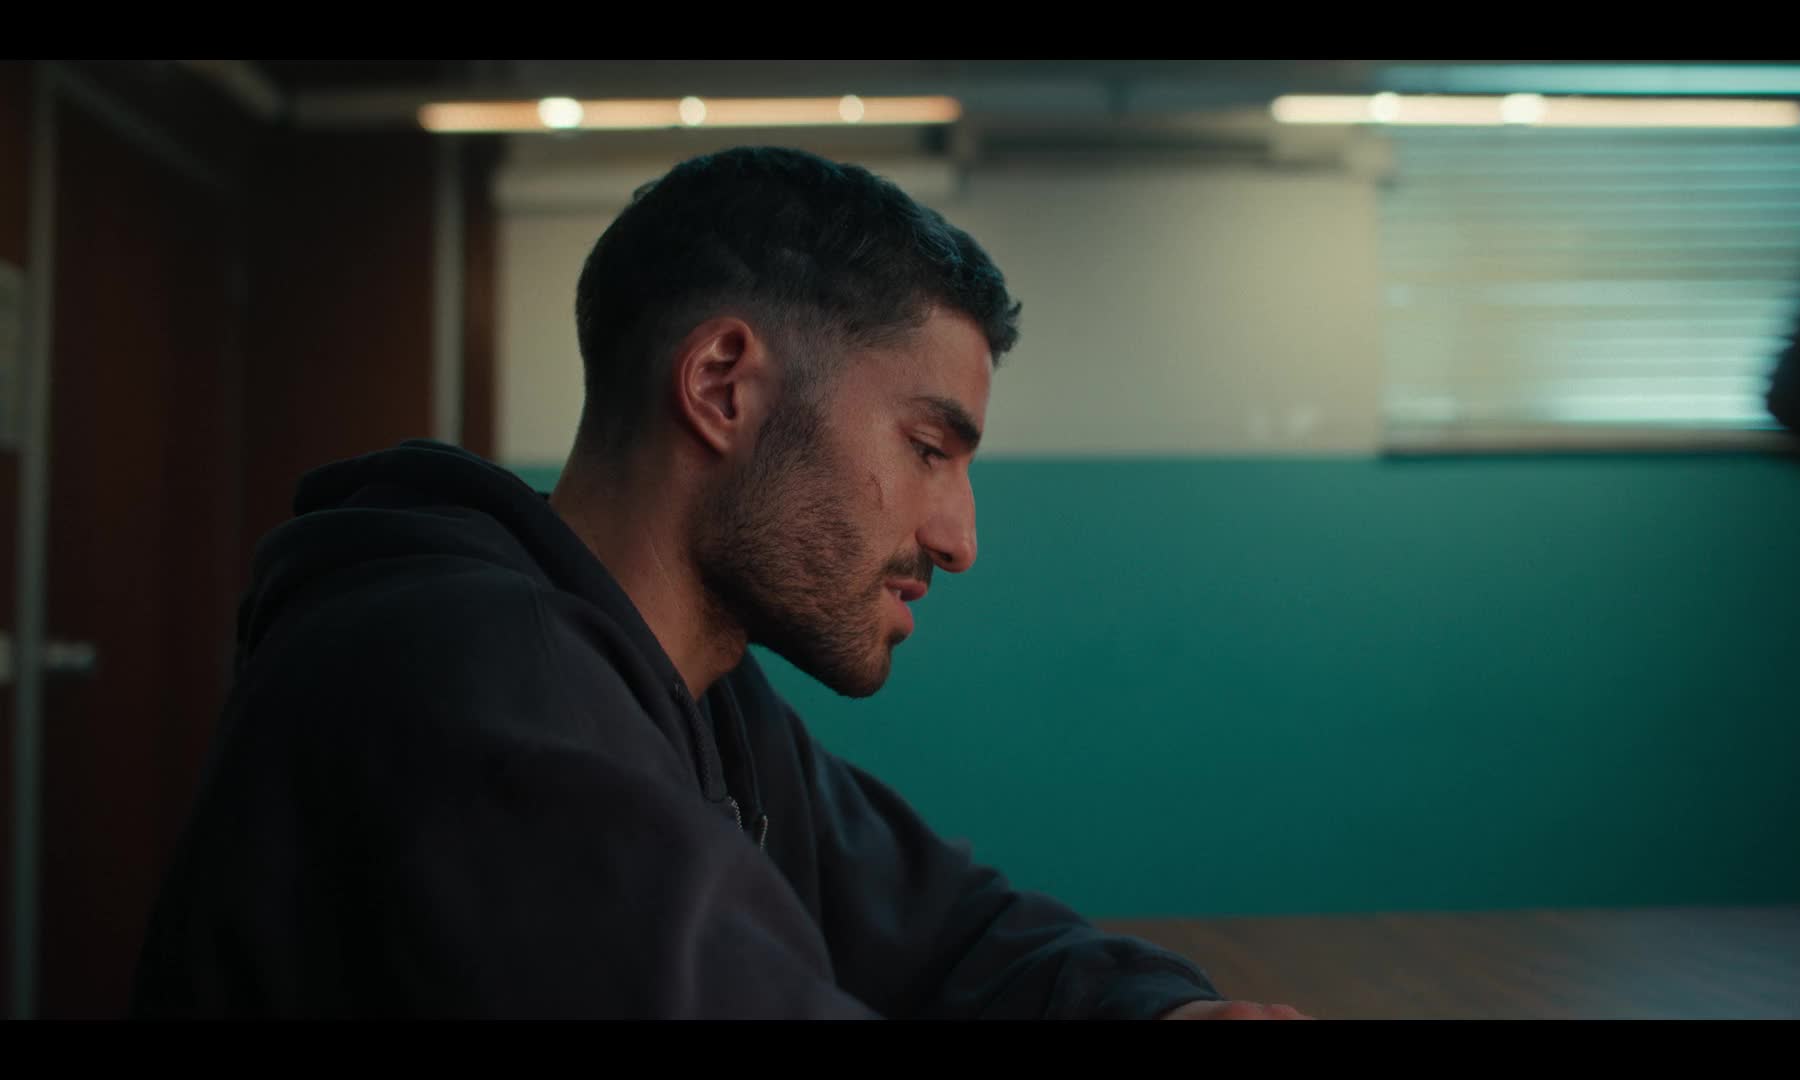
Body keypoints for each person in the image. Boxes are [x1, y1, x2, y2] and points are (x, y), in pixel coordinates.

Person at [131, 146, 1309, 1020]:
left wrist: (1164, 1013)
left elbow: (949, 933)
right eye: (927, 448)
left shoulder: (707, 694)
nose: (959, 538)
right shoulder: (467, 679)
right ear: (723, 387)